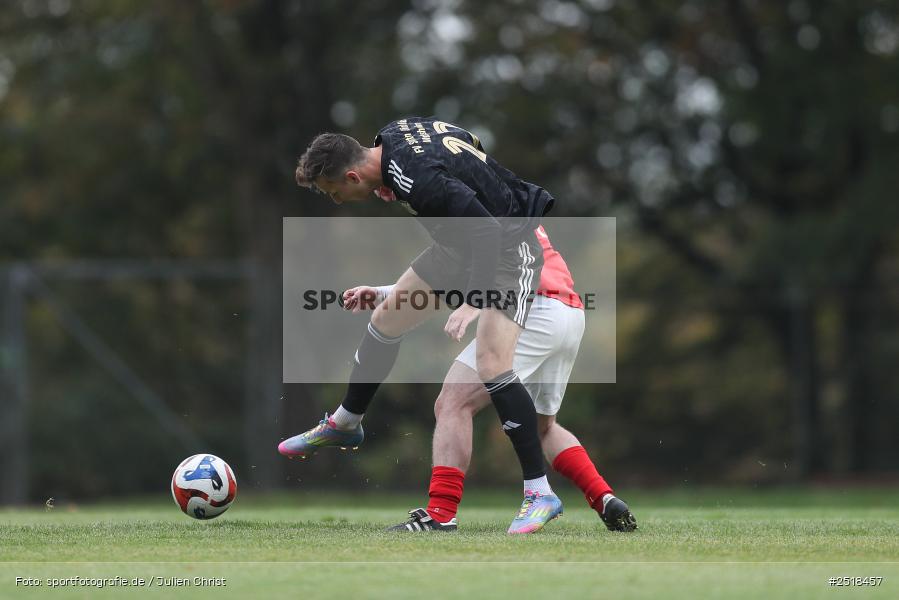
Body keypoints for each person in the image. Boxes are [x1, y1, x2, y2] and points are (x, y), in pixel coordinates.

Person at [280, 117, 564, 532]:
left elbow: (486, 229)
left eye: (334, 192)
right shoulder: (393, 135)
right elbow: (466, 140)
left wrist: (473, 300)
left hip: (506, 246)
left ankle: (540, 492)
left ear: (353, 176)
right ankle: (346, 422)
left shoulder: (415, 177)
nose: (338, 201)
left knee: (491, 363)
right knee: (386, 317)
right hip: (459, 245)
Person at [339, 226, 637, 534]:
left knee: (453, 403)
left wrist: (387, 294)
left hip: (531, 310)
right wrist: (385, 293)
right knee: (542, 426)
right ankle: (603, 497)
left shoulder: (476, 212)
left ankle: (441, 513)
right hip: (569, 313)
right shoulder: (514, 206)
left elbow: (453, 278)